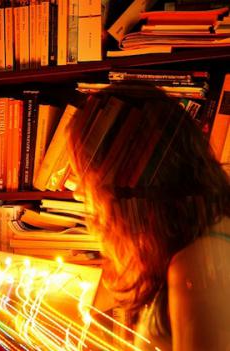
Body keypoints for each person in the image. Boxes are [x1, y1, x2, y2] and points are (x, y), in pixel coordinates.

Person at [64, 88, 230, 351]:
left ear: (124, 180)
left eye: (87, 175)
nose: (77, 191)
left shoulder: (198, 264)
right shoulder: (187, 244)